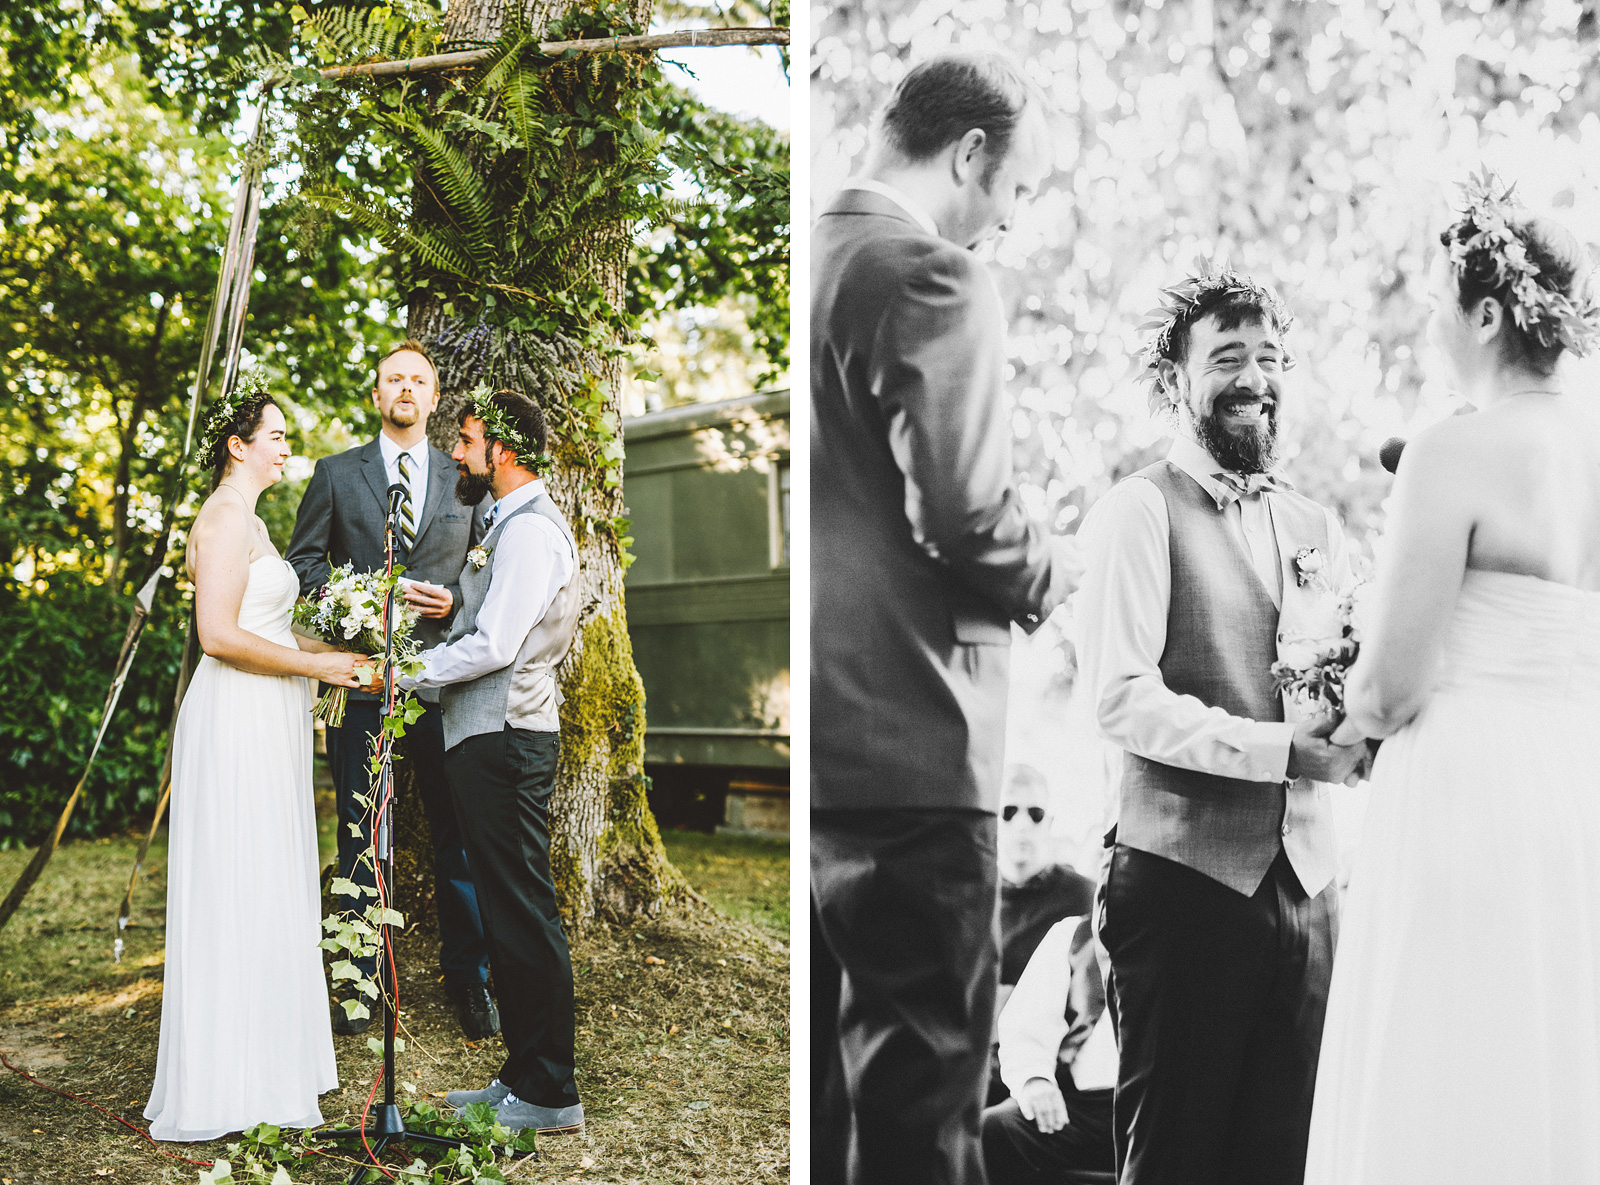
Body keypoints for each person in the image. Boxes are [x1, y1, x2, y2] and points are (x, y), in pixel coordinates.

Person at [810, 51, 1085, 1185]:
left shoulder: (816, 256)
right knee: (923, 1113)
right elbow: (966, 514)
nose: (1009, 221)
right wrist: (1053, 570)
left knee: (838, 1114)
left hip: (830, 744)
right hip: (918, 740)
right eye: (1016, 190)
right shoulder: (928, 273)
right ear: (970, 154)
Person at [1304, 180, 1600, 1183]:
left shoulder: (1453, 447)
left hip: (1469, 792)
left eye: (1438, 302)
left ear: (1484, 314)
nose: (1432, 323)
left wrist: (1340, 703)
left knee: (1448, 1054)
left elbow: (1391, 688)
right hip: (1575, 786)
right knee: (1551, 1046)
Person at [1074, 265, 1369, 1184]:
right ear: (1177, 380)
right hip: (1181, 887)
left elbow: (1338, 682)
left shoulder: (1318, 526)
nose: (1255, 378)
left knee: (1288, 1160)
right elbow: (1120, 696)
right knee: (1175, 1159)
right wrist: (1283, 751)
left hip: (1312, 892)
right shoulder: (1137, 510)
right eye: (1228, 357)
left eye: (1270, 357)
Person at [145, 383, 368, 1141]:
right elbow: (217, 635)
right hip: (235, 718)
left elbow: (266, 625)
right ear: (238, 446)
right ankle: (227, 1081)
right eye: (275, 435)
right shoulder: (221, 517)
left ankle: (270, 1066)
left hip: (269, 720)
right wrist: (317, 668)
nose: (285, 448)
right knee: (237, 880)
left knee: (270, 878)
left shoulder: (257, 520)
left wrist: (345, 653)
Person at [287, 340, 496, 1039]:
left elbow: (487, 566)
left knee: (457, 837)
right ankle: (357, 979)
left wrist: (456, 601)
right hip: (362, 685)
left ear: (434, 397)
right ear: (377, 395)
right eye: (393, 379)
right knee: (359, 834)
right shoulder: (335, 474)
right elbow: (302, 568)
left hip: (446, 689)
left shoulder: (464, 476)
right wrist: (360, 598)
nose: (405, 388)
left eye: (418, 380)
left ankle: (470, 979)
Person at [402, 388, 585, 1137]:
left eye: (468, 441)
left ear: (501, 451)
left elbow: (497, 646)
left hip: (507, 738)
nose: (456, 452)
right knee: (506, 911)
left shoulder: (531, 531)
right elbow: (490, 621)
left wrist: (405, 674)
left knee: (523, 912)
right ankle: (520, 1072)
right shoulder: (505, 522)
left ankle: (551, 1091)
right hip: (485, 737)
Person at [981, 916, 1118, 1184]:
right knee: (997, 1128)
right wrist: (1035, 1079)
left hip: (1163, 1108)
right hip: (1081, 1106)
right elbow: (1027, 1021)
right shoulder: (1075, 934)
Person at [988, 763, 1095, 1105]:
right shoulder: (972, 897)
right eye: (1009, 812)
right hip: (979, 1067)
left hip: (1051, 1071)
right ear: (993, 820)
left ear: (1049, 823)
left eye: (1034, 814)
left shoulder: (1084, 897)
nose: (1022, 824)